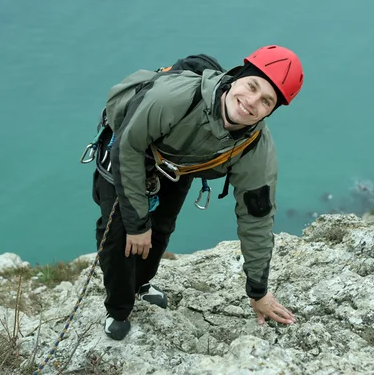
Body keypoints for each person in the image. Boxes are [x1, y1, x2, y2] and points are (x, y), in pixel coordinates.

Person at [91, 45, 304, 340]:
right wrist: (137, 223)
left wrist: (258, 292)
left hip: (178, 165)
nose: (251, 102)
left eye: (266, 101)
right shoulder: (174, 98)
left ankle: (141, 283)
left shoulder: (255, 148)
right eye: (251, 86)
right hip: (127, 150)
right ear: (236, 77)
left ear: (271, 111)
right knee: (120, 236)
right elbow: (128, 146)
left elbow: (257, 218)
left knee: (161, 230)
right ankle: (118, 308)